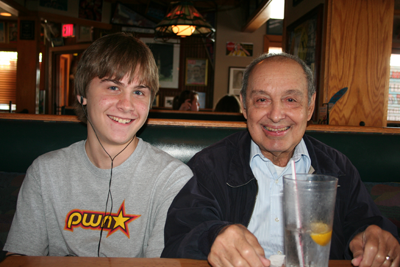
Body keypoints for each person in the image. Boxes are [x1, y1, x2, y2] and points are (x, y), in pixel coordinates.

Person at [161, 53, 400, 266]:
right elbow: (180, 237)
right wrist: (212, 237)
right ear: (244, 106)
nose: (276, 115)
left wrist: (372, 237)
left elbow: (368, 225)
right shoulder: (209, 165)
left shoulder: (338, 168)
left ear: (310, 106)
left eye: (291, 100)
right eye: (262, 100)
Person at [3, 33, 192, 257]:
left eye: (139, 92)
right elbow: (20, 260)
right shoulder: (45, 173)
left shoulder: (173, 179)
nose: (126, 105)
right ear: (82, 94)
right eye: (113, 87)